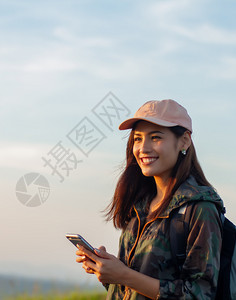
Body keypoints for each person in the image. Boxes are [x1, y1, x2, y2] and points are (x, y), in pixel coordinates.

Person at [75, 99, 223, 299]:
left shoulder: (199, 208)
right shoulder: (140, 205)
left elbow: (199, 295)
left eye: (155, 137)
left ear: (184, 141)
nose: (143, 148)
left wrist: (124, 275)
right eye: (137, 139)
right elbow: (135, 287)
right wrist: (108, 270)